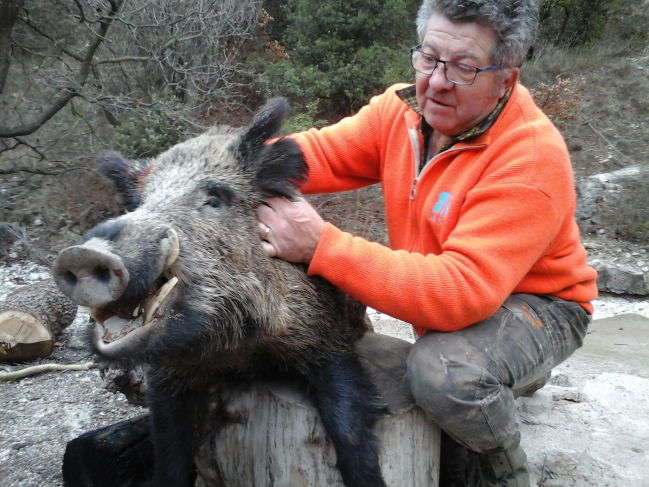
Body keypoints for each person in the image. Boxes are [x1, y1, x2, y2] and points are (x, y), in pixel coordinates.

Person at [256, 1, 598, 485]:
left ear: (505, 77)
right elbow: (320, 153)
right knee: (440, 362)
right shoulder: (402, 114)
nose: (437, 81)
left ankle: (503, 474)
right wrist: (215, 164)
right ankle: (510, 374)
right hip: (472, 297)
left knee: (445, 374)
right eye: (429, 57)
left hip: (545, 305)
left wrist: (320, 247)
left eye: (464, 67)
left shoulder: (530, 158)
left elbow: (457, 294)